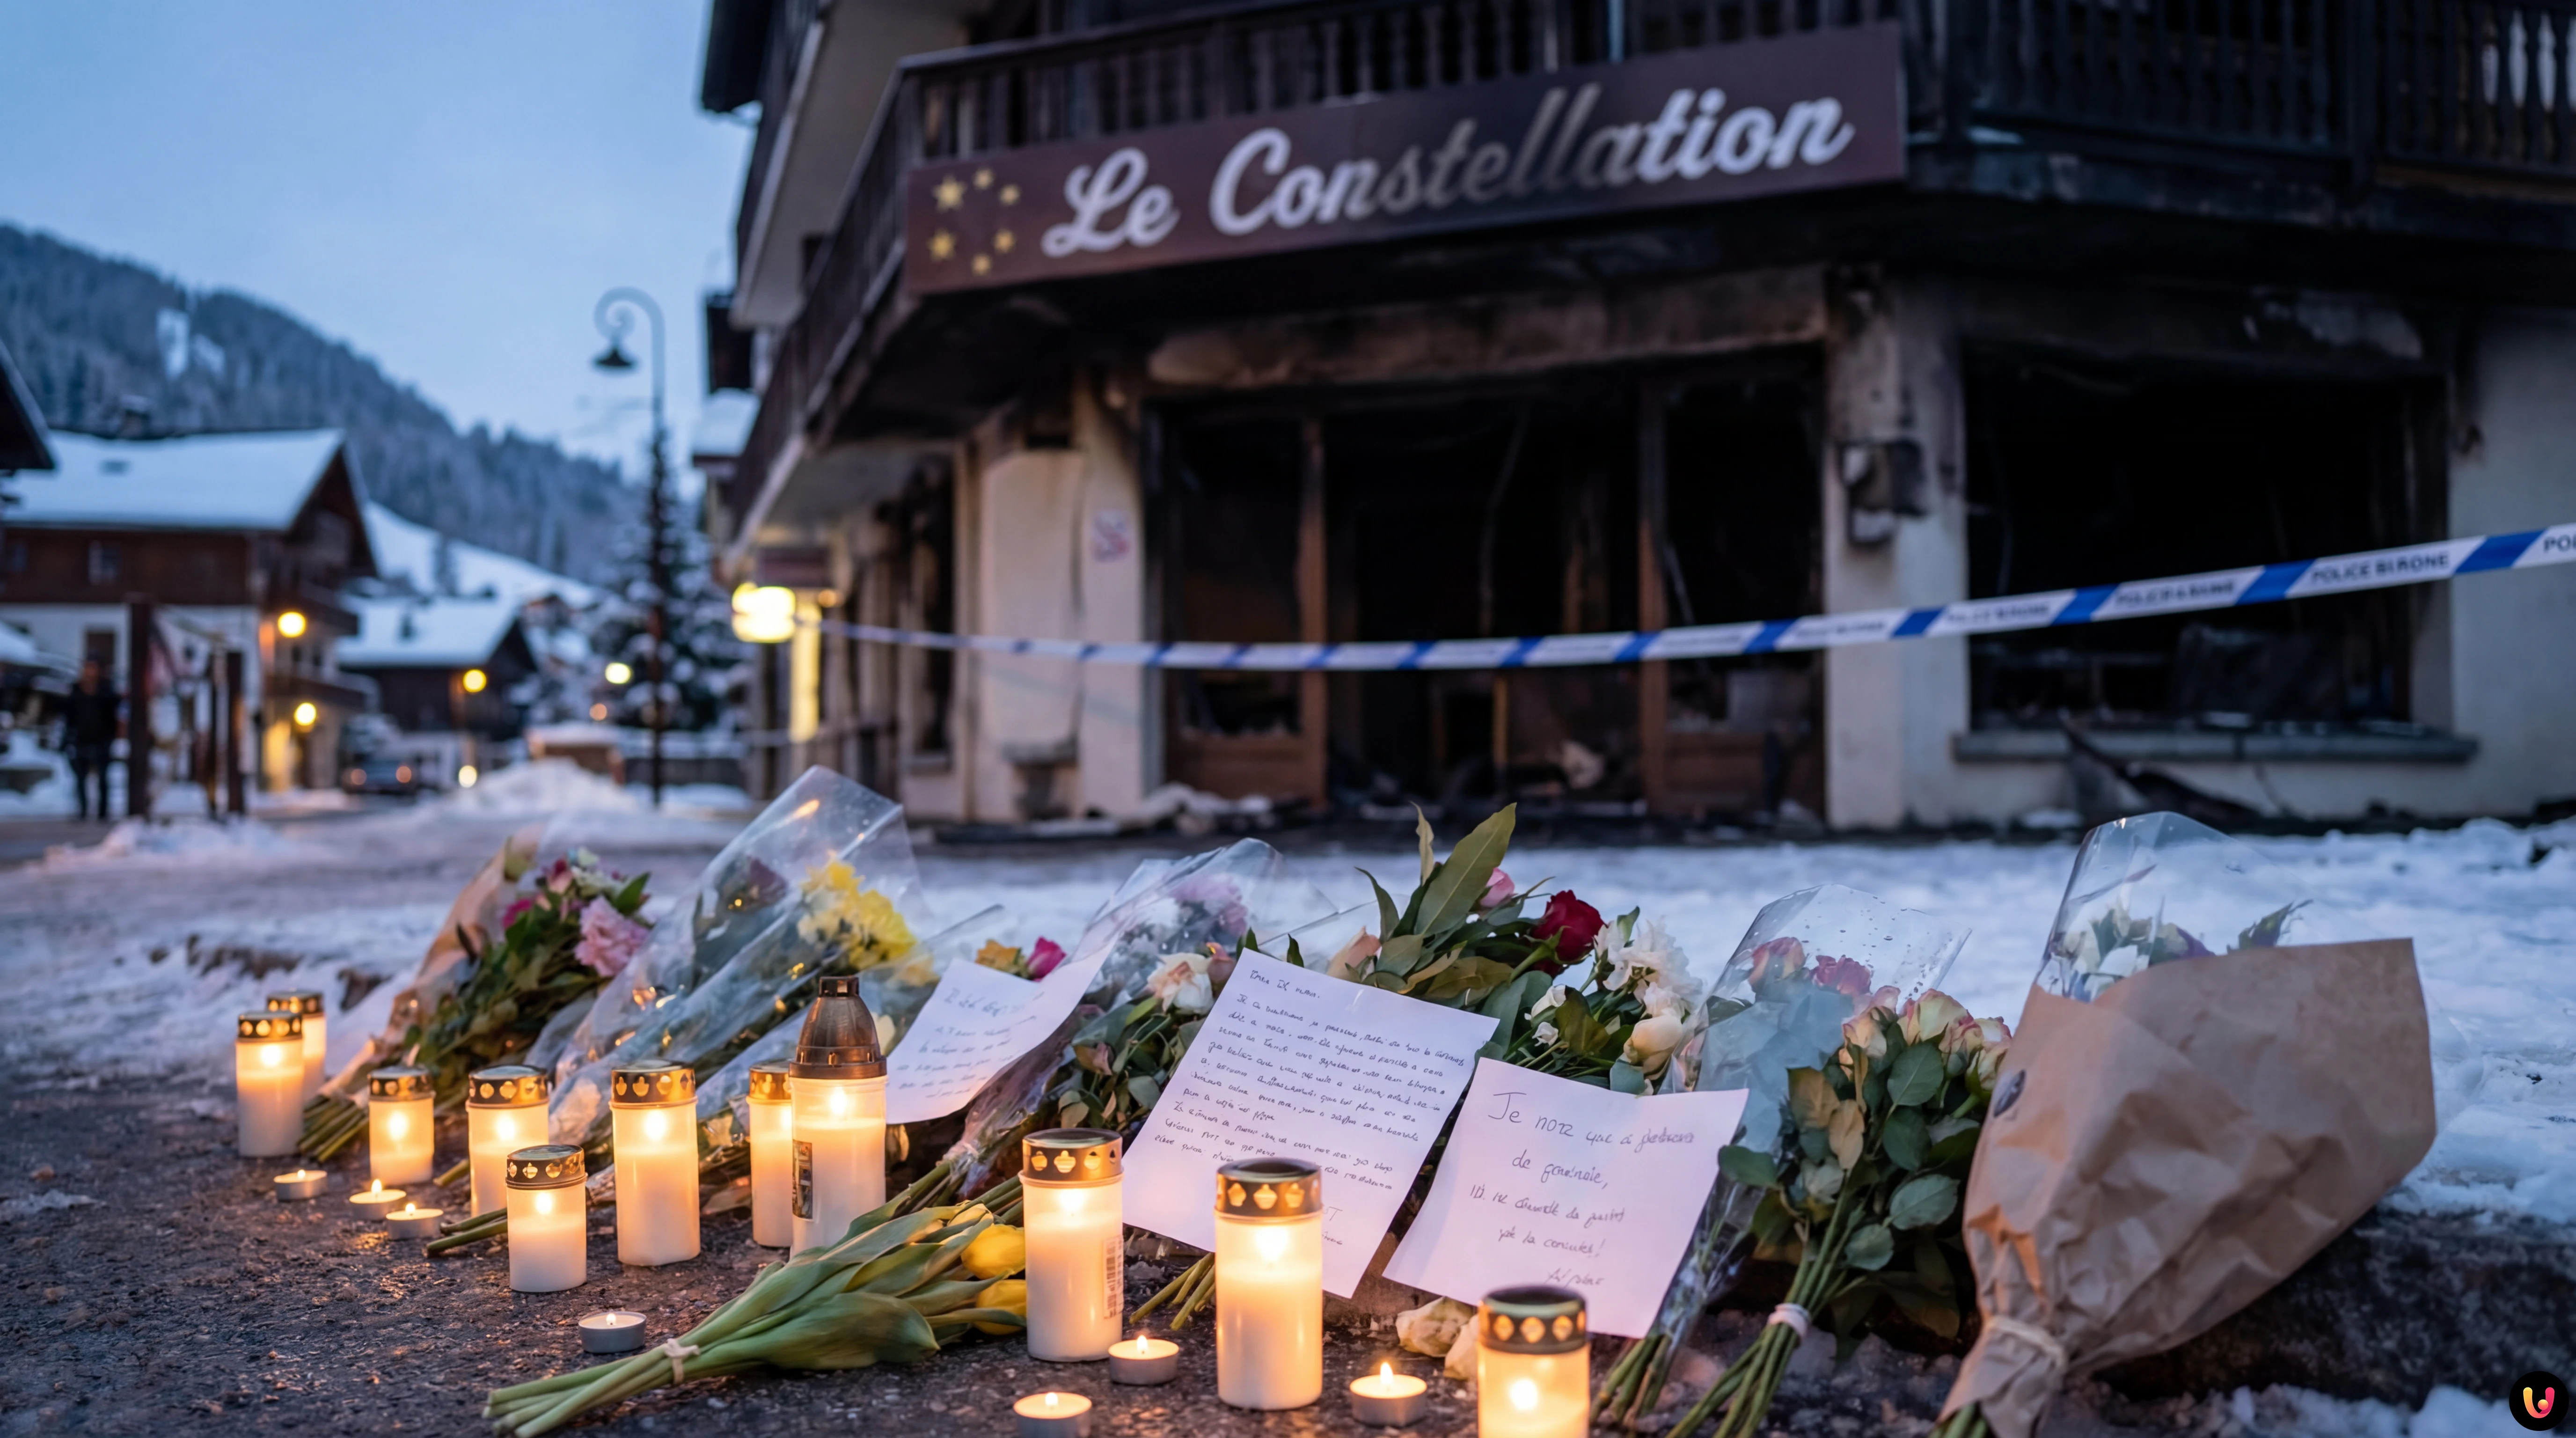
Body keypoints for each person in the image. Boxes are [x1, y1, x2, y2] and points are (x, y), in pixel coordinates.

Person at [60, 659, 121, 820]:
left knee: (103, 777)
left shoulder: (107, 691)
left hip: (102, 739)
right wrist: (69, 736)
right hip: (81, 738)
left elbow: (114, 715)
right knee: (80, 777)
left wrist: (111, 736)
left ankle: (103, 811)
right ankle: (83, 810)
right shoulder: (76, 690)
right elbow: (69, 715)